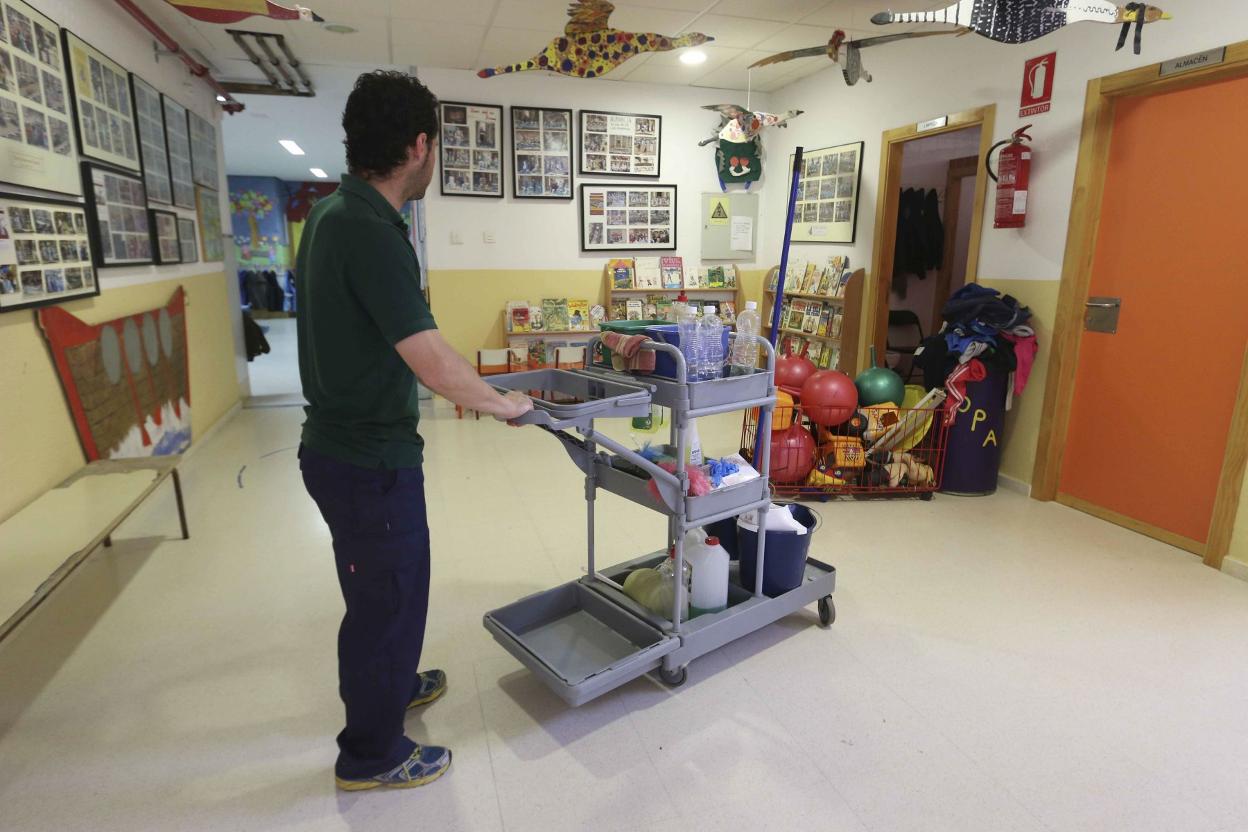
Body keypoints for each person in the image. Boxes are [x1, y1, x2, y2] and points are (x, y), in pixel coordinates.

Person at [295, 70, 532, 792]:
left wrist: (488, 391)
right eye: (435, 147)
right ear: (419, 144)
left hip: (350, 448)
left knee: (387, 593)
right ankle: (371, 753)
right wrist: (504, 404)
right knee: (386, 601)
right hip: (366, 458)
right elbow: (429, 358)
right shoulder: (368, 230)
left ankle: (392, 686)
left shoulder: (337, 214)